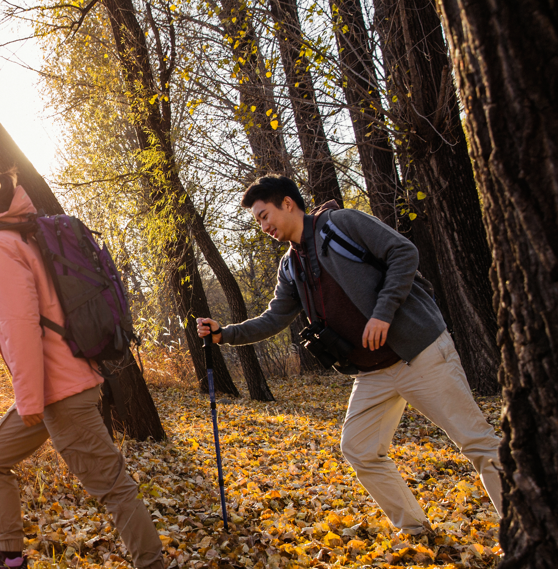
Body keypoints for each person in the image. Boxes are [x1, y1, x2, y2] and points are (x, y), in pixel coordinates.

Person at [196, 174, 502, 539]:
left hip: (417, 352)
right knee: (359, 448)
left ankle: (528, 528)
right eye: (258, 220)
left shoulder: (341, 224)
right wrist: (224, 334)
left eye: (264, 215)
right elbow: (275, 317)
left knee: (477, 441)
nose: (263, 226)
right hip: (371, 372)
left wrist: (383, 312)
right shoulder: (290, 266)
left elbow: (403, 253)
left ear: (288, 204)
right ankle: (417, 531)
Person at [0, 164, 176, 569]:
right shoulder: (6, 236)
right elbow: (29, 314)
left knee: (110, 484)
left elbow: (25, 323)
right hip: (55, 384)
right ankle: (11, 560)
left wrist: (28, 397)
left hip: (58, 389)